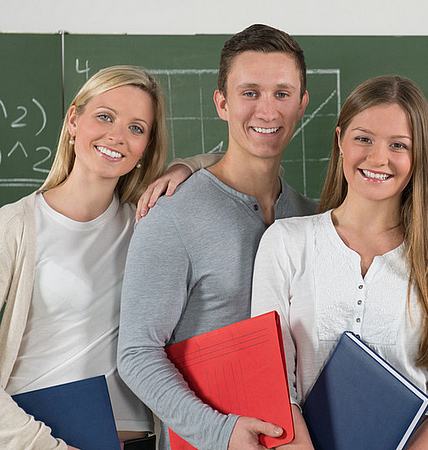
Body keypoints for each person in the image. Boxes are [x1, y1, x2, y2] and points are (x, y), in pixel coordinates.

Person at [251, 75, 428, 450]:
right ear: (340, 139)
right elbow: (271, 383)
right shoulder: (286, 242)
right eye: (363, 138)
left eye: (398, 145)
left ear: (419, 154)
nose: (378, 158)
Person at [117, 24, 317, 450]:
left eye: (282, 94)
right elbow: (136, 353)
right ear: (222, 104)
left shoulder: (309, 217)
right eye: (250, 93)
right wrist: (219, 432)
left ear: (302, 104)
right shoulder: (171, 213)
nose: (267, 110)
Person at [0, 65, 169, 450]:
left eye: (137, 128)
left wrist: (187, 166)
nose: (117, 136)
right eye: (105, 117)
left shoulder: (148, 227)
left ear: (146, 147)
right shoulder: (15, 225)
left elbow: (234, 162)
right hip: (39, 438)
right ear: (74, 119)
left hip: (139, 438)